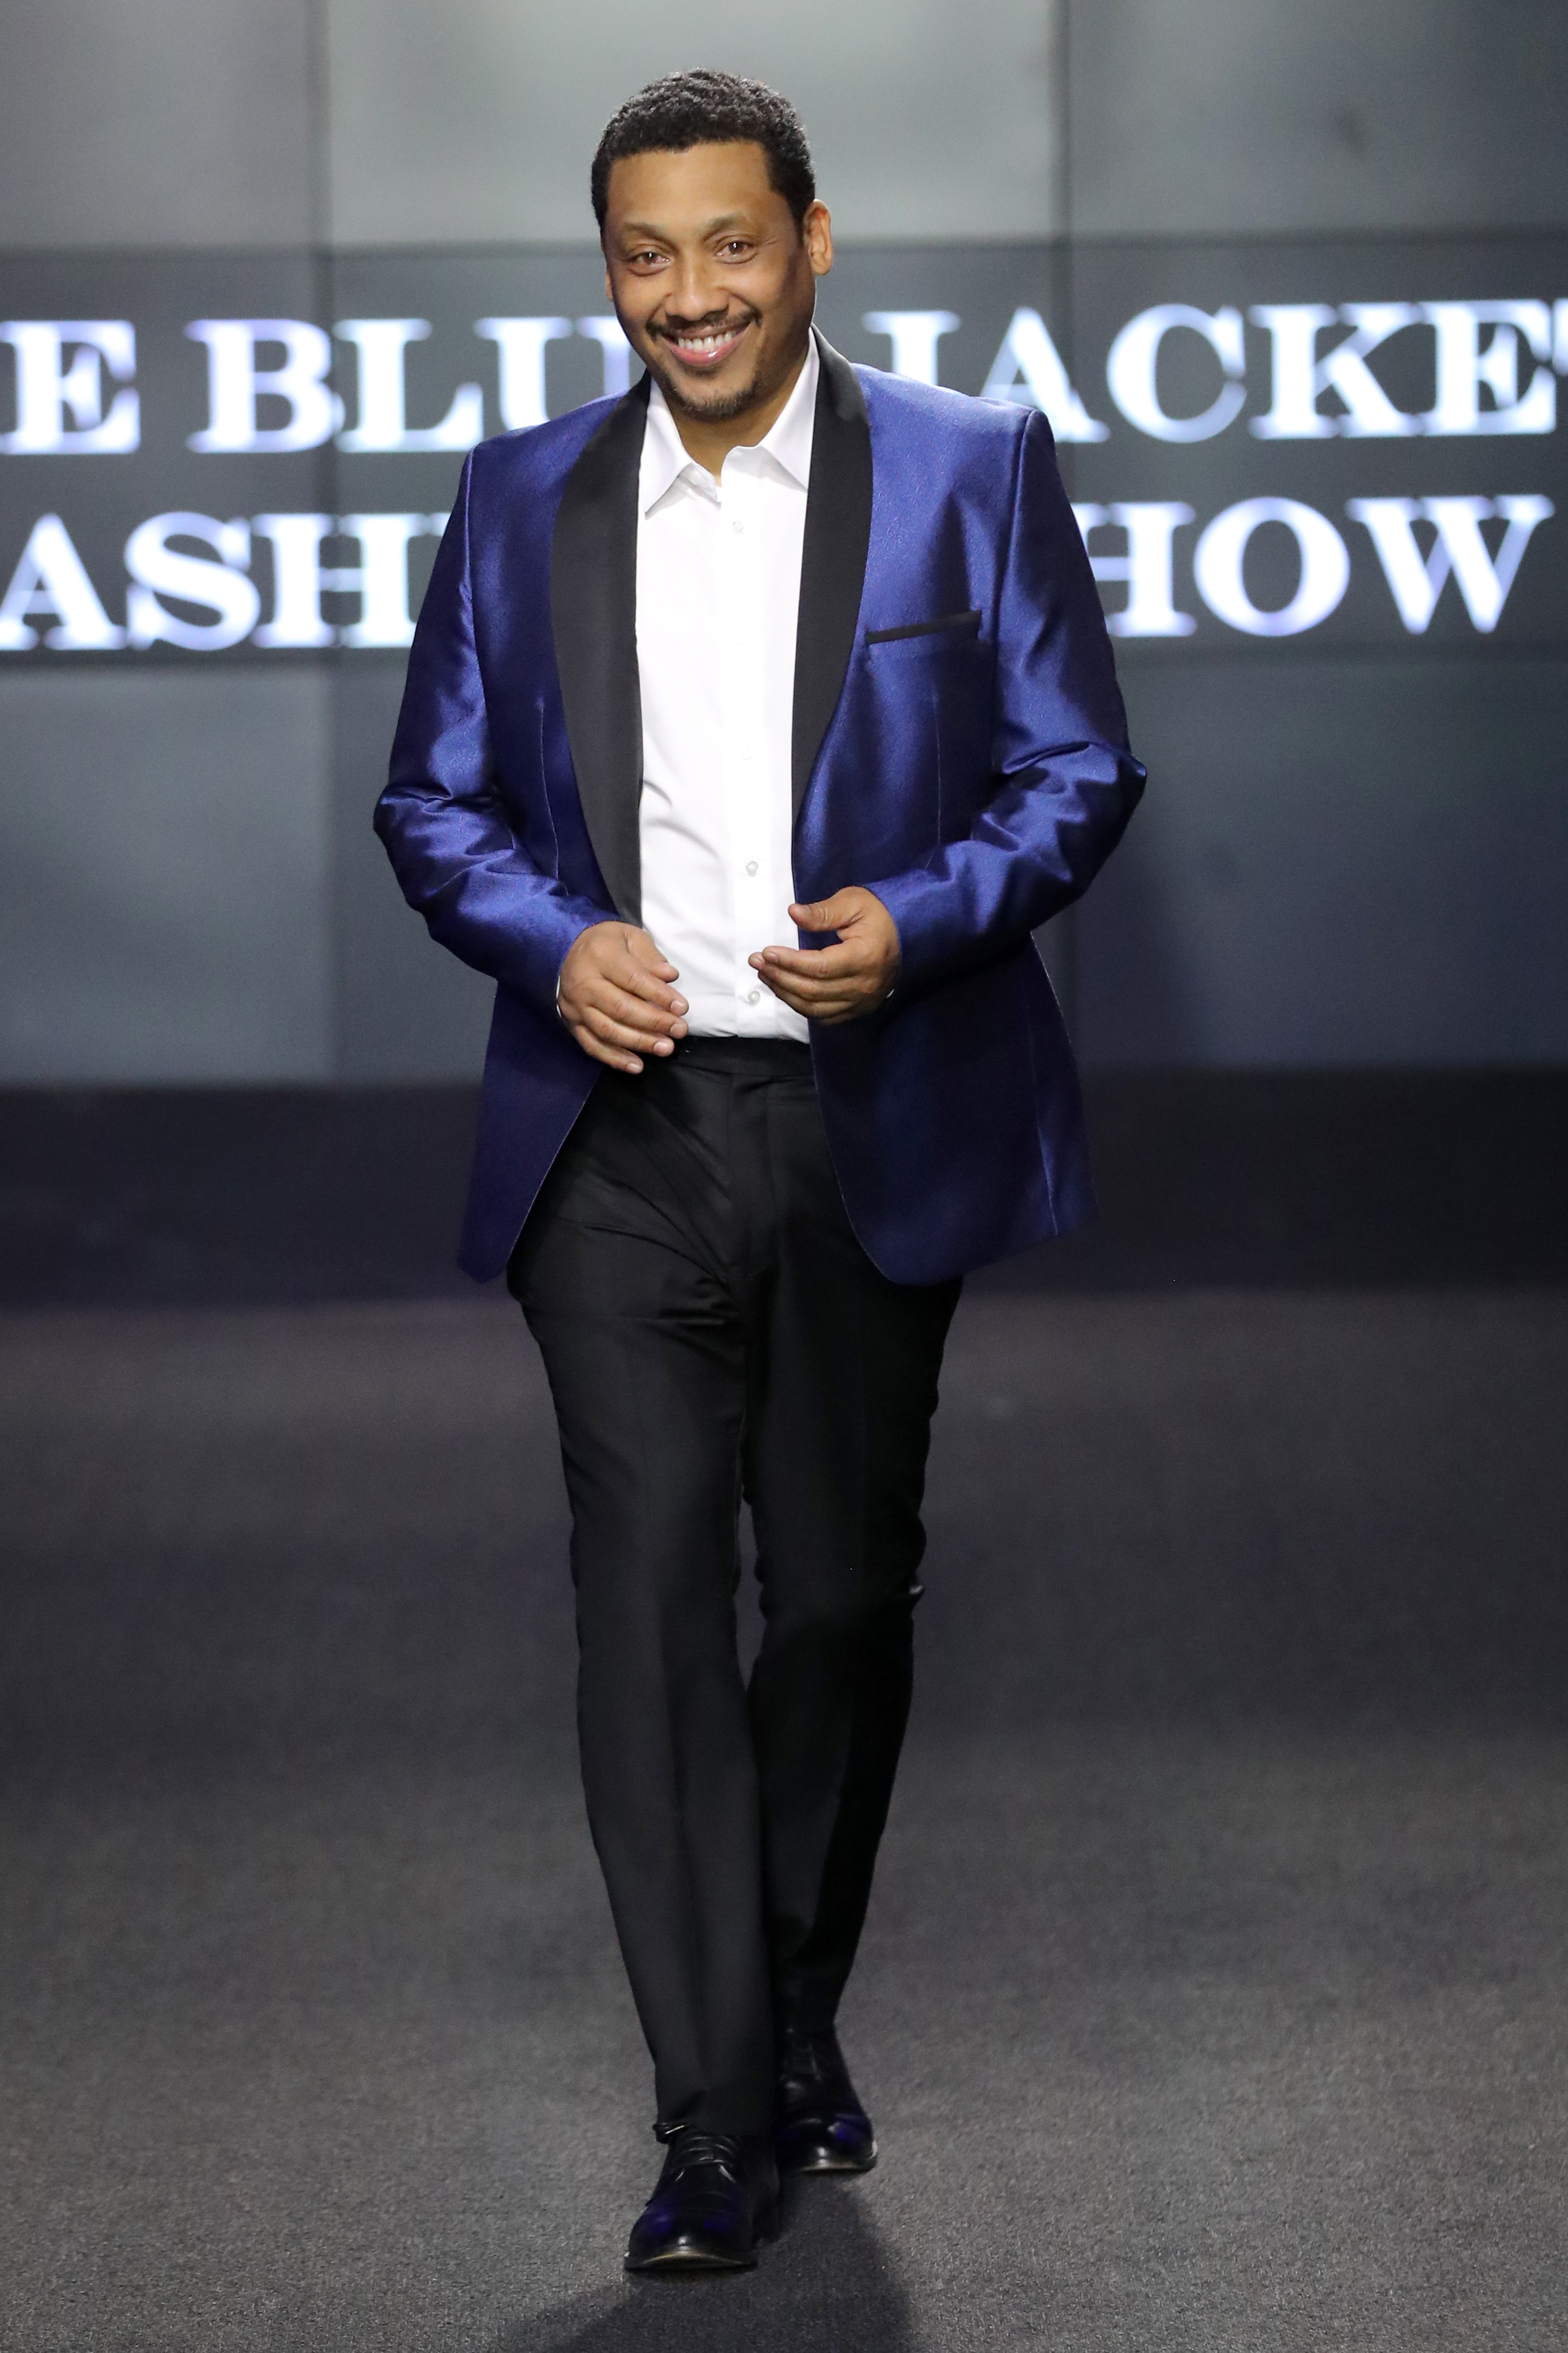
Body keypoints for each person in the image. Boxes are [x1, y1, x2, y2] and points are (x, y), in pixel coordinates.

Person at [375, 68, 1144, 2275]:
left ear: (817, 236)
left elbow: (1077, 768)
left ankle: (793, 2007)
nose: (687, 296)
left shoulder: (972, 470)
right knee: (643, 1618)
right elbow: (432, 807)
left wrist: (927, 917)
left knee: (827, 1607)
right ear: (605, 266)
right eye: (644, 253)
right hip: (615, 1137)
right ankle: (712, 2113)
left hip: (861, 1117)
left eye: (729, 244)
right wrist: (556, 942)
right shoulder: (522, 492)